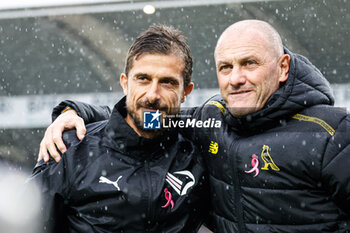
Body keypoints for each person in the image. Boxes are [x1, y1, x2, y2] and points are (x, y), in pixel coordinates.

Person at [39, 20, 350, 232]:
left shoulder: (332, 133)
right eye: (226, 67)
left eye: (249, 63)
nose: (236, 78)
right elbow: (145, 114)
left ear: (283, 67)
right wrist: (75, 111)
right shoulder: (209, 120)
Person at [29, 25, 211, 233]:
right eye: (143, 79)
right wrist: (70, 111)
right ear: (125, 83)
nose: (152, 94)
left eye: (167, 82)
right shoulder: (69, 150)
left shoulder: (199, 153)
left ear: (186, 91)